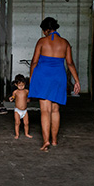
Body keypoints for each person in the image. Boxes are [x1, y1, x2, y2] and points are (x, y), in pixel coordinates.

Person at [28, 17, 81, 151]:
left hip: (43, 77)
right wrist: (77, 81)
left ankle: (46, 141)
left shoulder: (42, 41)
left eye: (44, 31)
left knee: (45, 111)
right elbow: (69, 63)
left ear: (46, 30)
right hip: (58, 77)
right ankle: (55, 140)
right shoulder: (65, 43)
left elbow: (34, 62)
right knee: (55, 110)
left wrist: (31, 78)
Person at [9, 74, 32, 139]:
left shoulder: (26, 91)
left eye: (23, 85)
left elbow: (28, 98)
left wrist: (28, 100)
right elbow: (13, 97)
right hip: (17, 110)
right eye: (19, 85)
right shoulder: (15, 92)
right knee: (17, 123)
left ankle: (26, 133)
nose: (21, 87)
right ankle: (17, 134)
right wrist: (11, 98)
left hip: (24, 110)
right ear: (16, 85)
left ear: (25, 84)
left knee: (26, 123)